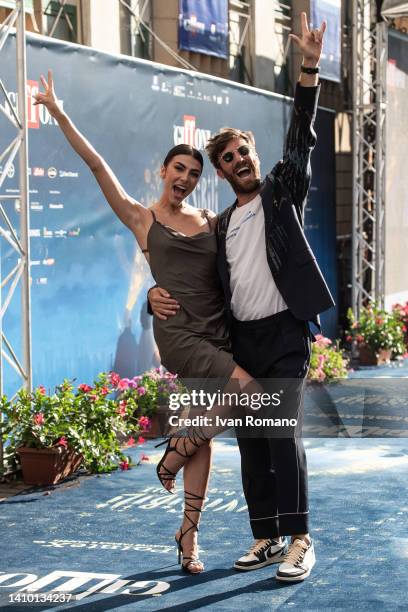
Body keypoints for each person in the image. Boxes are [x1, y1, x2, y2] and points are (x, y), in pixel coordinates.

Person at [33, 74, 256, 575]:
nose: (186, 177)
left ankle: (188, 537)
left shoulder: (208, 219)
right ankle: (172, 453)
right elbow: (96, 165)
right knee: (251, 393)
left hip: (216, 330)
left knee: (207, 435)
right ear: (163, 170)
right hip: (179, 335)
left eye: (194, 172)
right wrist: (57, 110)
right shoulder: (141, 219)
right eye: (179, 168)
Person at [148, 13, 334, 582]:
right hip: (242, 342)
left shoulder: (283, 193)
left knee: (282, 437)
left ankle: (301, 538)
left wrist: (308, 68)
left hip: (283, 335)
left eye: (243, 152)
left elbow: (301, 135)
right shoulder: (220, 224)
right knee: (252, 444)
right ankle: (266, 537)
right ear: (222, 172)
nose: (239, 162)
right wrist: (153, 294)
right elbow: (190, 282)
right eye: (227, 159)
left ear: (254, 153)